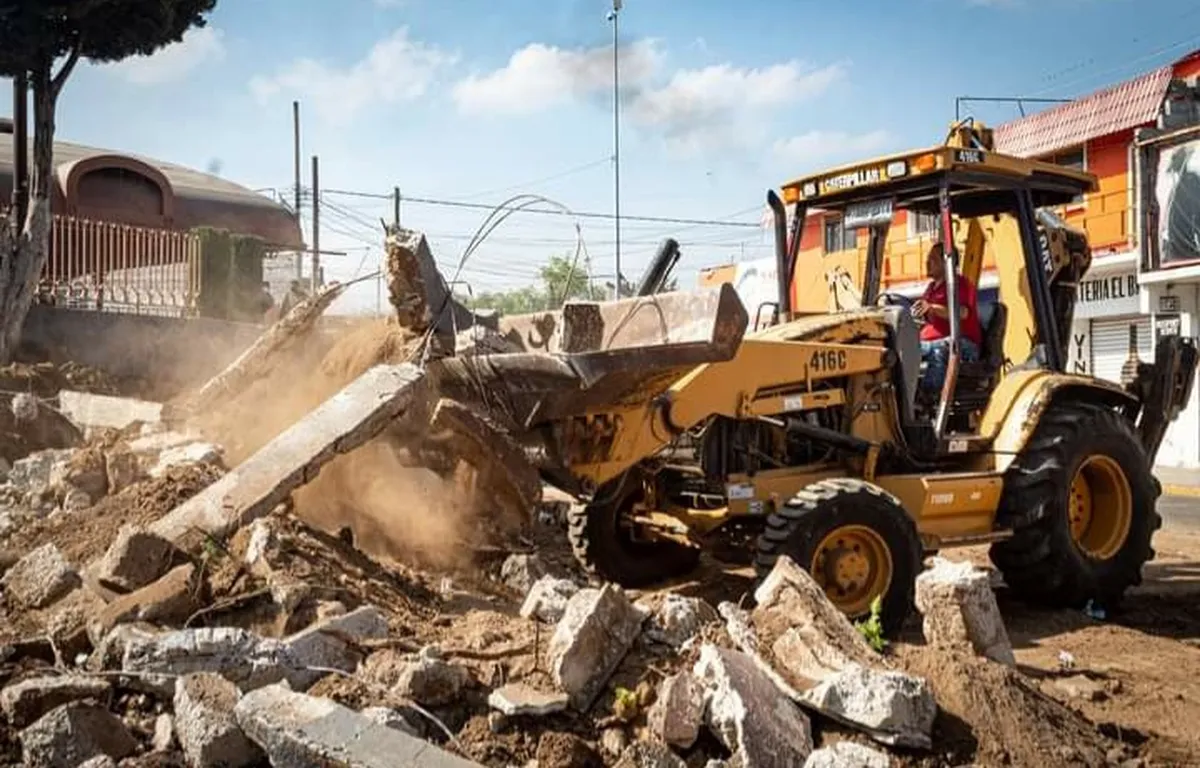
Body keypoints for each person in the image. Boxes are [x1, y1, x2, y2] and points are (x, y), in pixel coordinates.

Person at [912, 241, 982, 392]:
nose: (927, 263)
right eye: (928, 259)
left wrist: (932, 308)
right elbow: (927, 317)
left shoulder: (959, 284)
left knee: (938, 350)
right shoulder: (931, 288)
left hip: (962, 344)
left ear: (947, 262)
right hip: (933, 342)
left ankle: (931, 397)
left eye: (933, 260)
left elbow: (963, 313)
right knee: (902, 348)